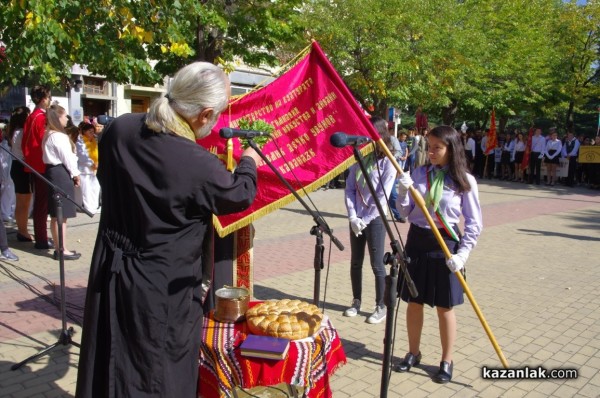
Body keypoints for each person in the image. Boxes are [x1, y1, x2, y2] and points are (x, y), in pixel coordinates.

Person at [76, 62, 261, 398]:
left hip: (113, 271)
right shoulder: (196, 162)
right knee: (155, 372)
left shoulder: (120, 129)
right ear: (204, 115)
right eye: (216, 115)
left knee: (112, 359)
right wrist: (249, 161)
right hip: (161, 286)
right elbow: (239, 194)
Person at [393, 125, 482, 384]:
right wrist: (402, 192)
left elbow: (474, 224)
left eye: (437, 148)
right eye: (429, 147)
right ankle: (413, 352)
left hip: (446, 243)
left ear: (451, 149)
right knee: (414, 301)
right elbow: (406, 213)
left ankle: (446, 359)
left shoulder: (464, 180)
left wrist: (463, 254)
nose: (430, 152)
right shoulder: (419, 174)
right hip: (417, 241)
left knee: (445, 306)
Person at [343, 116, 396, 324]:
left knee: (377, 264)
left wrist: (364, 219)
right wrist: (352, 216)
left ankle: (380, 305)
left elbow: (382, 199)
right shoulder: (358, 159)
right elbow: (349, 189)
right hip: (357, 218)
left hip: (375, 219)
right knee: (356, 261)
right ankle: (356, 301)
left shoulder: (387, 163)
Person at [43, 105, 82, 261]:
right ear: (58, 118)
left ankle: (60, 247)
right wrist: (75, 174)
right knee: (61, 215)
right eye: (65, 116)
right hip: (60, 173)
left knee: (57, 214)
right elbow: (68, 158)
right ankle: (62, 249)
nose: (67, 119)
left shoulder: (48, 134)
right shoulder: (58, 136)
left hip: (53, 172)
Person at [22, 85, 53, 249]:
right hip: (41, 164)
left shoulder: (32, 116)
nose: (49, 100)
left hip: (34, 163)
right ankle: (41, 238)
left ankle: (42, 236)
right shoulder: (40, 117)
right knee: (42, 204)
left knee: (41, 203)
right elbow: (45, 141)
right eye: (48, 97)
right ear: (43, 99)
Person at [7, 106, 34, 241]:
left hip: (16, 166)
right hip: (23, 166)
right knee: (24, 202)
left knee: (20, 201)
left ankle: (22, 228)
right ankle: (23, 231)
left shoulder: (13, 131)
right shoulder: (22, 132)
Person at [75, 122, 101, 213]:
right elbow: (82, 155)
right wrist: (92, 163)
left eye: (93, 131)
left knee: (95, 187)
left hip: (93, 170)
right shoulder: (80, 141)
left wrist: (97, 162)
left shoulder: (94, 141)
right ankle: (88, 208)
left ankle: (95, 206)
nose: (91, 133)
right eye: (89, 131)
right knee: (86, 190)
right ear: (84, 132)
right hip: (84, 170)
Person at [389, 131, 408, 222]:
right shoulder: (369, 139)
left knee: (392, 194)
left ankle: (398, 214)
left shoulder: (392, 139)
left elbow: (399, 152)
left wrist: (389, 156)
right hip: (374, 171)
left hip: (389, 170)